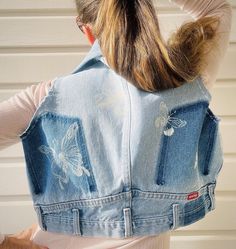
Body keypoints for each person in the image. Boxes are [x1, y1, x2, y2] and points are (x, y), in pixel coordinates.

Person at [0, 0, 232, 248]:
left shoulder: (46, 99)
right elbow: (216, 8)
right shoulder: (186, 80)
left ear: (87, 29)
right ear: (143, 16)